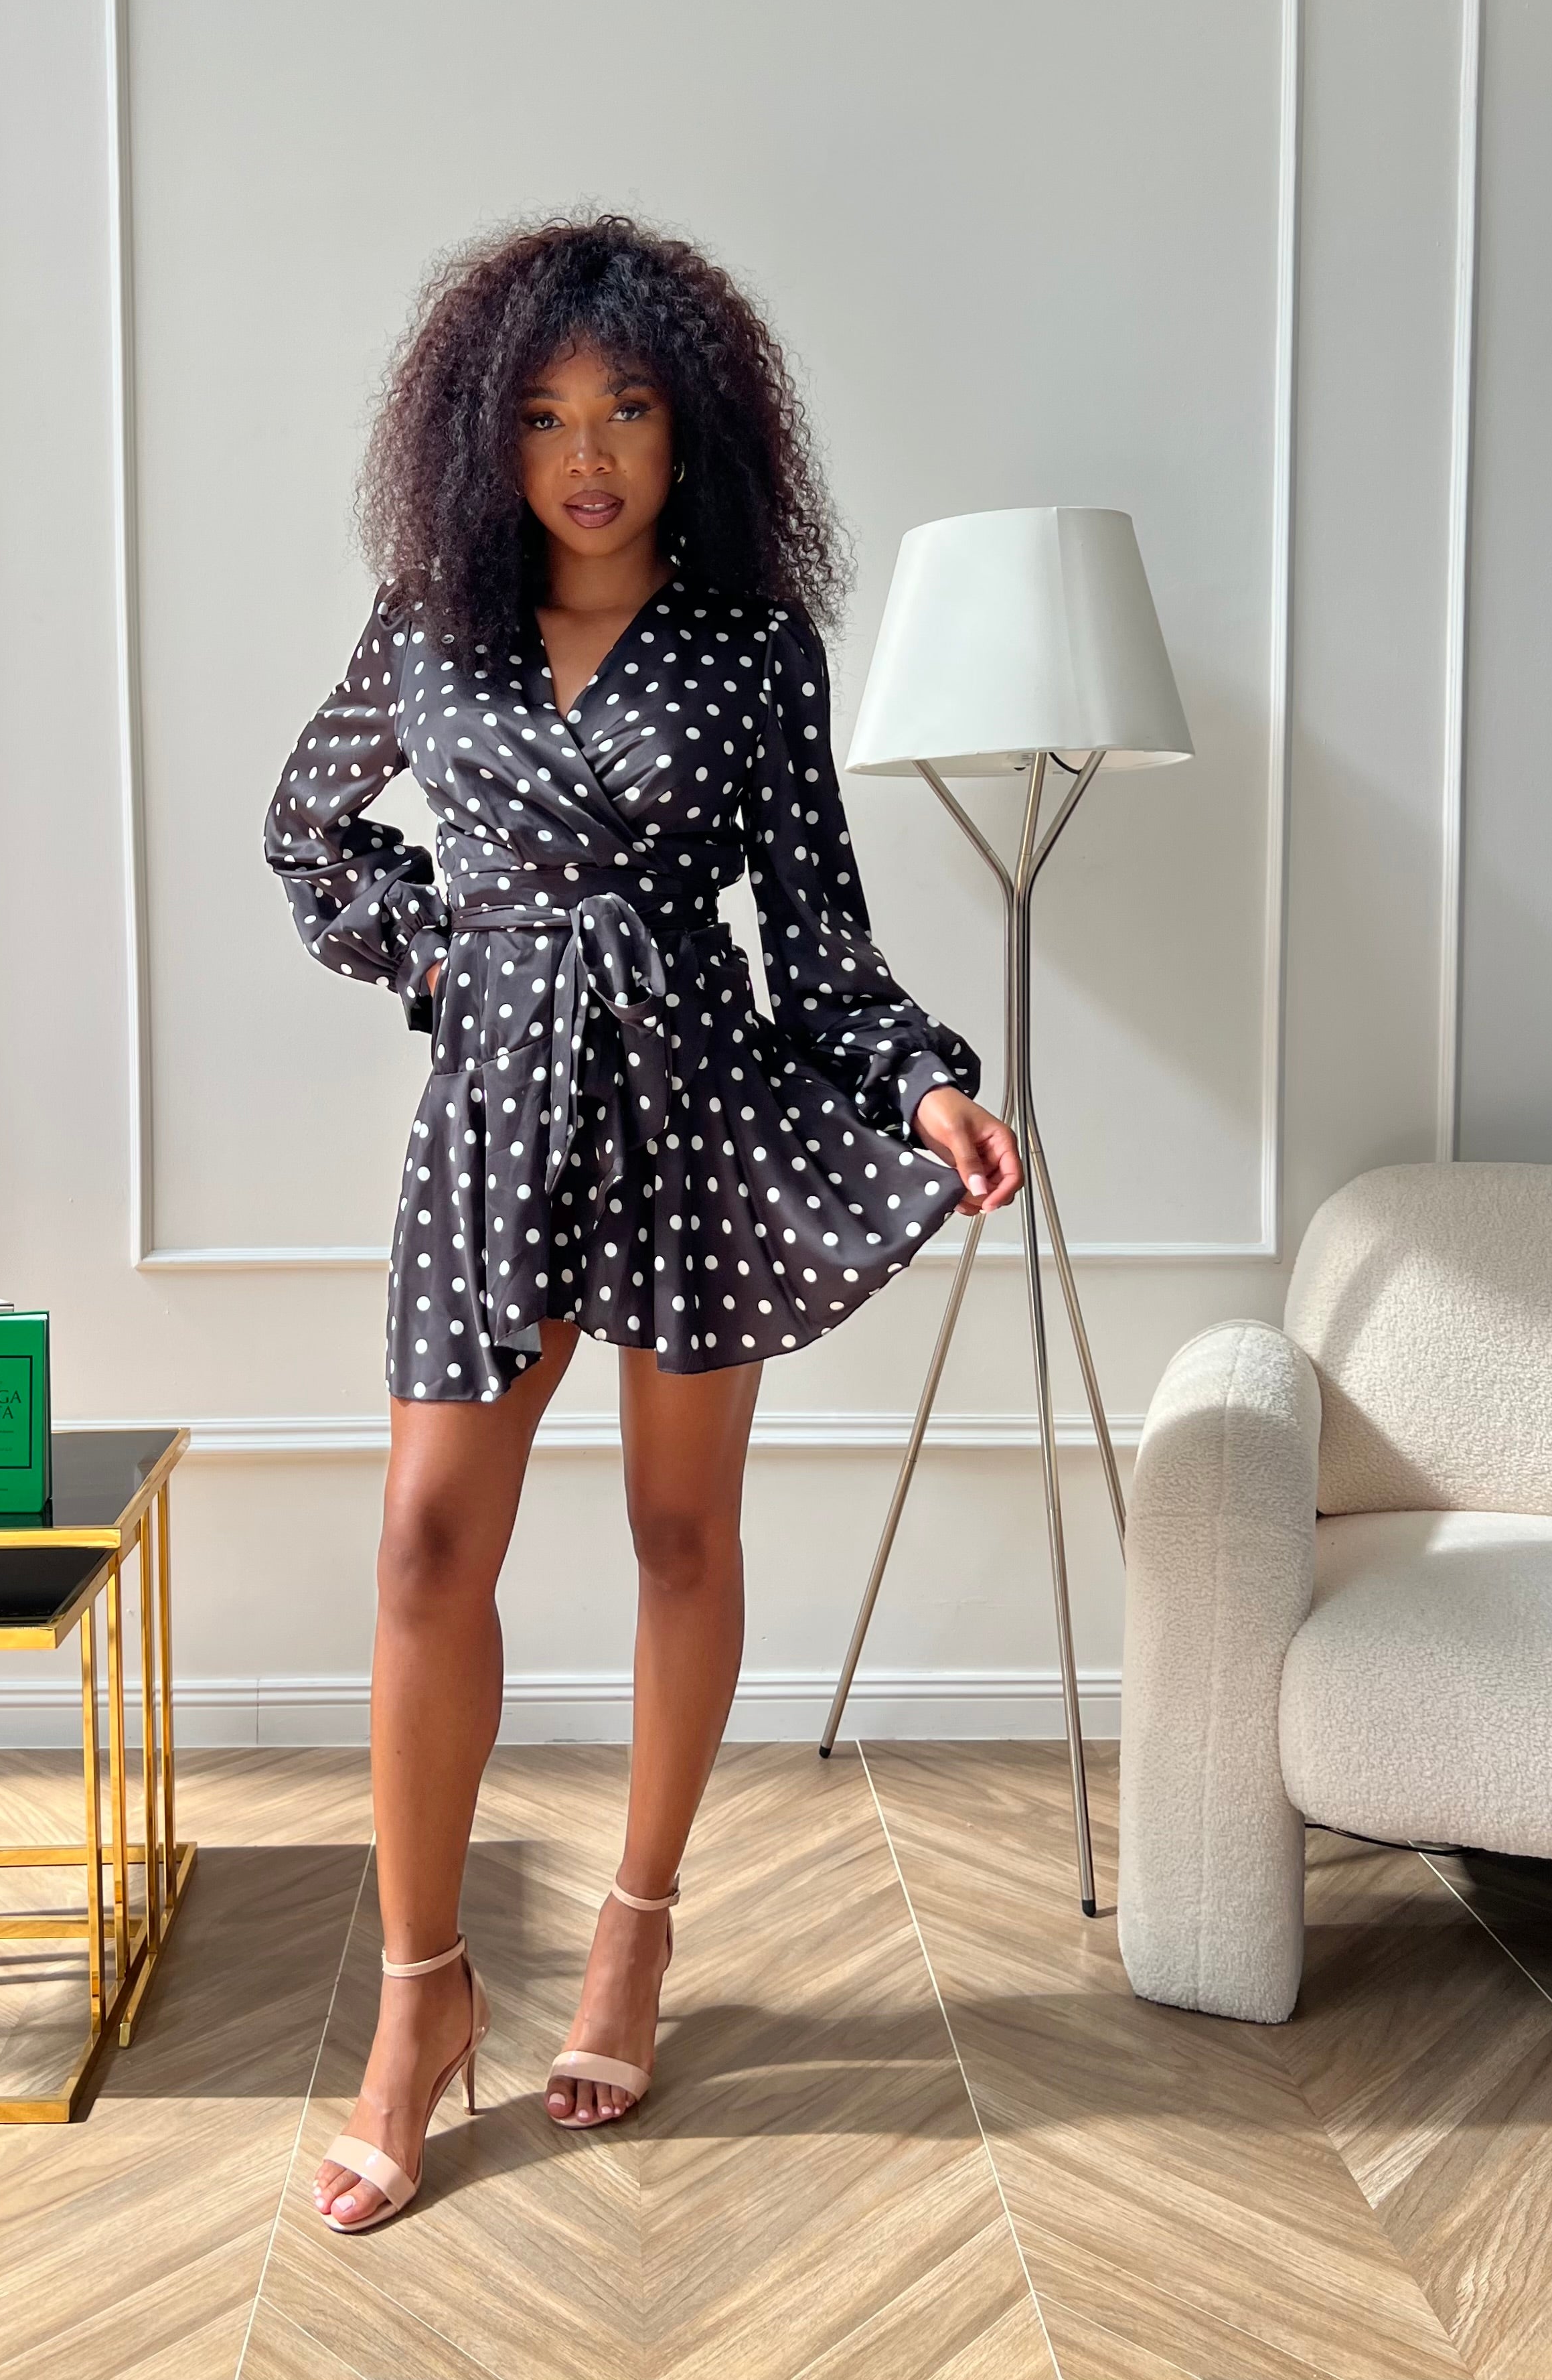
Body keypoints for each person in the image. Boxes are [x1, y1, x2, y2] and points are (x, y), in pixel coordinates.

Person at [264, 214, 1021, 2231]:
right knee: (427, 1547)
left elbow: (821, 938)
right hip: (497, 1122)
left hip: (693, 1112)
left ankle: (633, 1929)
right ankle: (419, 1998)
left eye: (624, 411)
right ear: (479, 434)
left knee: (681, 1534)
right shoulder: (429, 627)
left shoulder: (754, 648)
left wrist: (923, 1084)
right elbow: (306, 830)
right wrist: (437, 954)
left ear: (696, 431)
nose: (585, 454)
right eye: (540, 416)